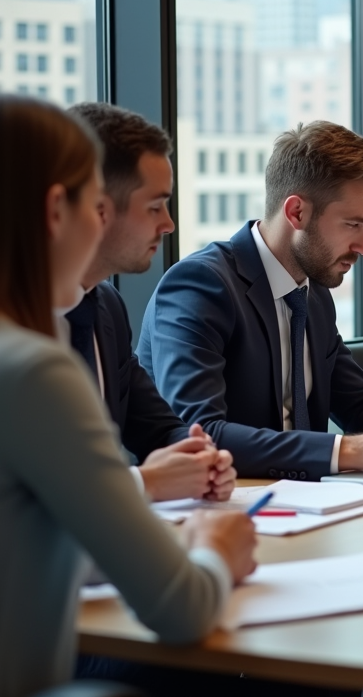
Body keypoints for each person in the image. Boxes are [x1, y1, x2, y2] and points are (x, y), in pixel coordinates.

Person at [0, 93, 256, 697]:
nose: (99, 222)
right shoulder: (28, 371)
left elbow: (17, 546)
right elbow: (182, 609)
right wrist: (216, 549)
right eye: (94, 205)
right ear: (59, 210)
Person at [138, 120, 363, 480]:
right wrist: (351, 449)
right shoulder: (200, 286)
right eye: (352, 225)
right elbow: (201, 434)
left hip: (305, 506)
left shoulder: (312, 294)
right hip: (221, 508)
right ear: (296, 212)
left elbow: (358, 400)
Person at [63, 101, 235, 502]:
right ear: (98, 210)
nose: (169, 224)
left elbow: (157, 427)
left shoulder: (106, 307)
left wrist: (199, 456)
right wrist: (147, 483)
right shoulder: (5, 324)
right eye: (155, 206)